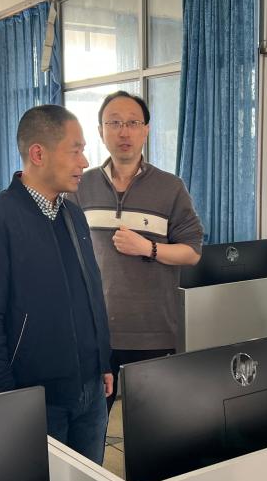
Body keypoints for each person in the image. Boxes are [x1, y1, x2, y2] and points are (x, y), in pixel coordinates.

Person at [0, 104, 113, 464]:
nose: (85, 161)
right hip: (36, 399)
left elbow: (90, 294)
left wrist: (102, 360)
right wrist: (4, 400)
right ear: (38, 154)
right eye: (75, 150)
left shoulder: (73, 215)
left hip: (90, 391)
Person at [71, 90, 203, 410]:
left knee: (154, 422)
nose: (124, 132)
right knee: (93, 421)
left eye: (132, 123)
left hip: (152, 330)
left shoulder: (170, 187)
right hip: (95, 331)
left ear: (146, 130)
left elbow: (192, 252)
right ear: (101, 131)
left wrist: (148, 248)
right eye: (114, 123)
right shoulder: (80, 185)